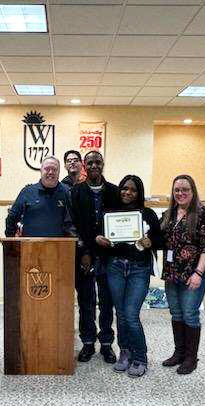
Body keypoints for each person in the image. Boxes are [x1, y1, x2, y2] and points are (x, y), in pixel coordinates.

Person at [96, 175, 161, 377]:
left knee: (131, 315)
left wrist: (151, 241)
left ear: (138, 193)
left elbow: (160, 238)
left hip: (138, 269)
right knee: (121, 314)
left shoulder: (148, 213)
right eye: (124, 188)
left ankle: (140, 357)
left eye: (132, 190)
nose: (127, 192)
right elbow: (98, 234)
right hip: (115, 267)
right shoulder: (110, 212)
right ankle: (125, 353)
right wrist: (98, 239)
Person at [160, 175, 205, 375]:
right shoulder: (169, 214)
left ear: (193, 191)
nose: (180, 193)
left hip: (194, 273)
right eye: (177, 190)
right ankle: (179, 353)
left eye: (185, 189)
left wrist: (198, 273)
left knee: (190, 314)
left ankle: (191, 358)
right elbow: (156, 237)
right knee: (176, 313)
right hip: (172, 273)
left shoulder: (203, 214)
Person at [70, 151, 120, 364]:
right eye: (89, 162)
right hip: (84, 256)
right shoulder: (75, 192)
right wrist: (86, 252)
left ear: (103, 164)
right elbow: (72, 225)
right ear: (84, 165)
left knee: (107, 303)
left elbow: (120, 223)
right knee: (86, 302)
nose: (93, 166)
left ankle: (107, 344)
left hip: (109, 257)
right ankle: (88, 342)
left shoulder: (115, 192)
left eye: (97, 162)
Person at [5, 156, 73, 237]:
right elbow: (12, 217)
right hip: (30, 247)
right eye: (47, 169)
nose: (50, 172)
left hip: (59, 247)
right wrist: (12, 242)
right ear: (41, 170)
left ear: (59, 172)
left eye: (54, 169)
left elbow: (74, 222)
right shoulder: (27, 192)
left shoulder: (67, 192)